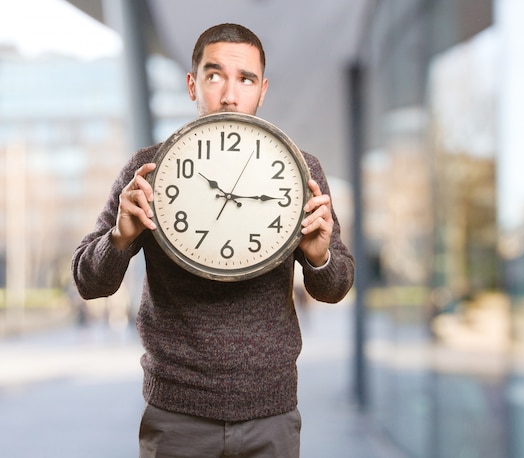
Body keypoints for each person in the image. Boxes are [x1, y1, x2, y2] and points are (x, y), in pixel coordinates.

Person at [71, 23, 354, 458]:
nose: (229, 94)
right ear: (192, 84)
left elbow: (336, 285)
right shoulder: (146, 170)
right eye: (214, 74)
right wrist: (120, 237)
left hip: (271, 412)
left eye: (246, 79)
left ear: (262, 91)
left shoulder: (301, 170)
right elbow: (89, 282)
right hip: (176, 413)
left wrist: (319, 258)